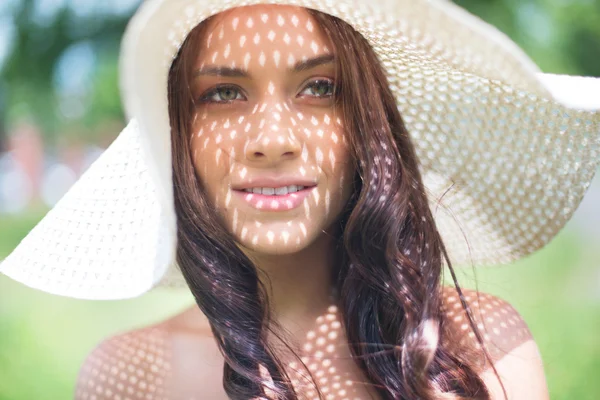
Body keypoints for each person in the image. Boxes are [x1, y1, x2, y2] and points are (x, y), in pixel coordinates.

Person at [2, 0, 599, 399]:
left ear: (366, 126)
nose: (271, 140)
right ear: (179, 135)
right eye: (225, 93)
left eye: (319, 88)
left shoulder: (473, 347)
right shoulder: (134, 374)